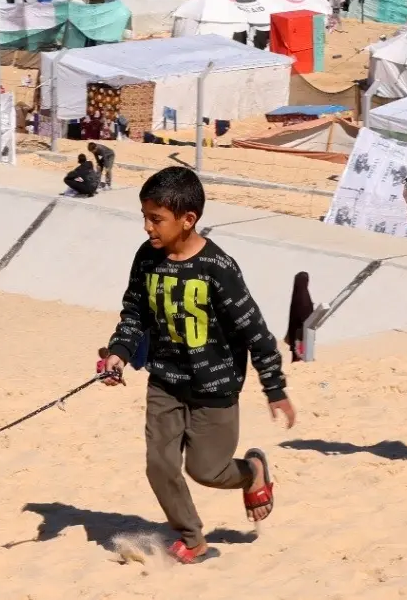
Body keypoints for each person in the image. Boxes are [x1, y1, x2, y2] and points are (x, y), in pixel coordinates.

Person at [101, 168, 293, 564]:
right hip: (165, 382)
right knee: (160, 464)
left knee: (206, 471)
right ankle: (192, 537)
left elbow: (255, 331)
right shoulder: (146, 258)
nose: (147, 227)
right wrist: (118, 353)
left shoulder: (218, 268)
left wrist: (275, 389)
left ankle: (253, 469)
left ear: (188, 219)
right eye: (144, 216)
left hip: (215, 389)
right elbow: (134, 313)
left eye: (156, 219)